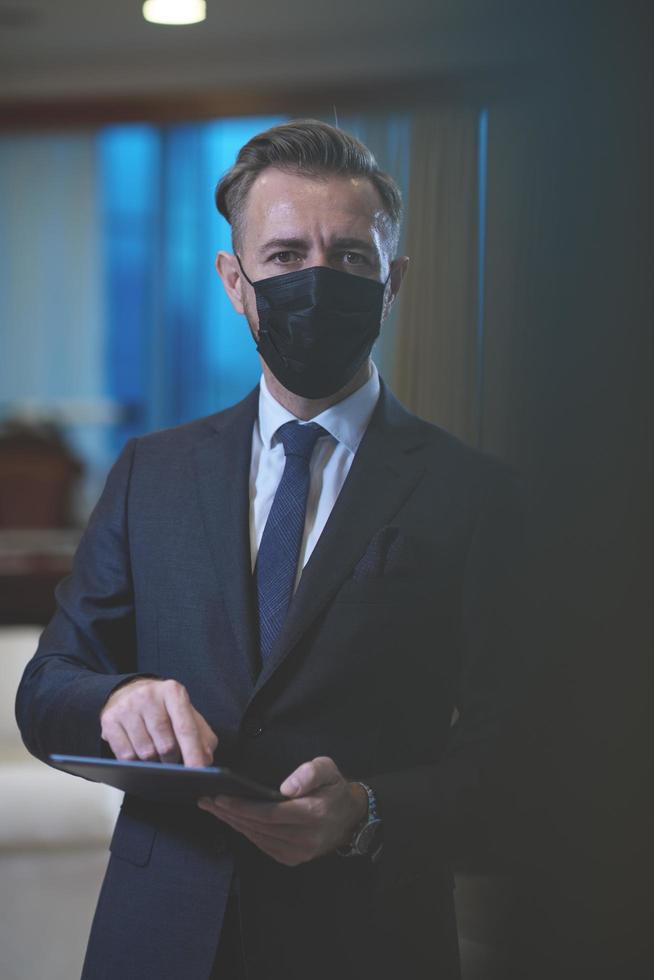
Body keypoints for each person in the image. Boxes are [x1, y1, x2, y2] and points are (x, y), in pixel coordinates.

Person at [15, 119, 521, 980]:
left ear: (391, 282)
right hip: (157, 934)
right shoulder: (151, 473)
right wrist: (114, 700)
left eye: (351, 258)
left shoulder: (478, 495)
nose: (317, 280)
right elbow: (48, 686)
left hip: (368, 940)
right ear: (234, 282)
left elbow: (528, 757)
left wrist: (367, 811)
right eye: (284, 257)